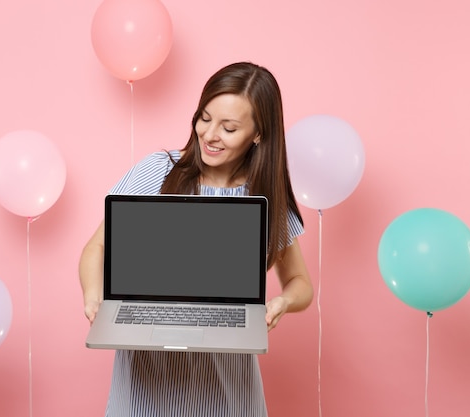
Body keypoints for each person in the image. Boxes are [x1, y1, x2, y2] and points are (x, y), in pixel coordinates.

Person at [79, 61, 314, 417]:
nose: (209, 134)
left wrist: (281, 303)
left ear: (258, 134)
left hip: (226, 388)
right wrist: (94, 298)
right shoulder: (158, 170)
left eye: (229, 127)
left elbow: (300, 283)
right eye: (205, 118)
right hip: (144, 385)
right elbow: (96, 247)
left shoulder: (265, 197)